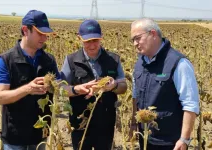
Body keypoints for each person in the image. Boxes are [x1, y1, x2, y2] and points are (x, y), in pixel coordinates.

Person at [0, 10, 60, 150]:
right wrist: (28, 88)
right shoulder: (5, 60)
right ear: (25, 30)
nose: (44, 38)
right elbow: (0, 97)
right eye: (39, 33)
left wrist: (79, 88)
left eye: (46, 34)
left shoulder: (49, 60)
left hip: (41, 135)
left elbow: (60, 86)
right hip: (15, 136)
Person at [130, 18, 200, 150]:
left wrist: (184, 139)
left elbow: (190, 104)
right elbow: (135, 94)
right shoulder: (140, 62)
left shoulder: (178, 63)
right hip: (145, 138)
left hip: (169, 141)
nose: (135, 43)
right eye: (132, 40)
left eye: (138, 38)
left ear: (153, 34)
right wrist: (134, 123)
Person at [60, 19, 127, 150]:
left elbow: (123, 87)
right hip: (80, 122)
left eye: (95, 40)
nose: (92, 46)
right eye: (87, 41)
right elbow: (61, 88)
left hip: (106, 122)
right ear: (79, 38)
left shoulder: (113, 59)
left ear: (101, 38)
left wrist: (113, 86)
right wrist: (76, 89)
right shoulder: (71, 60)